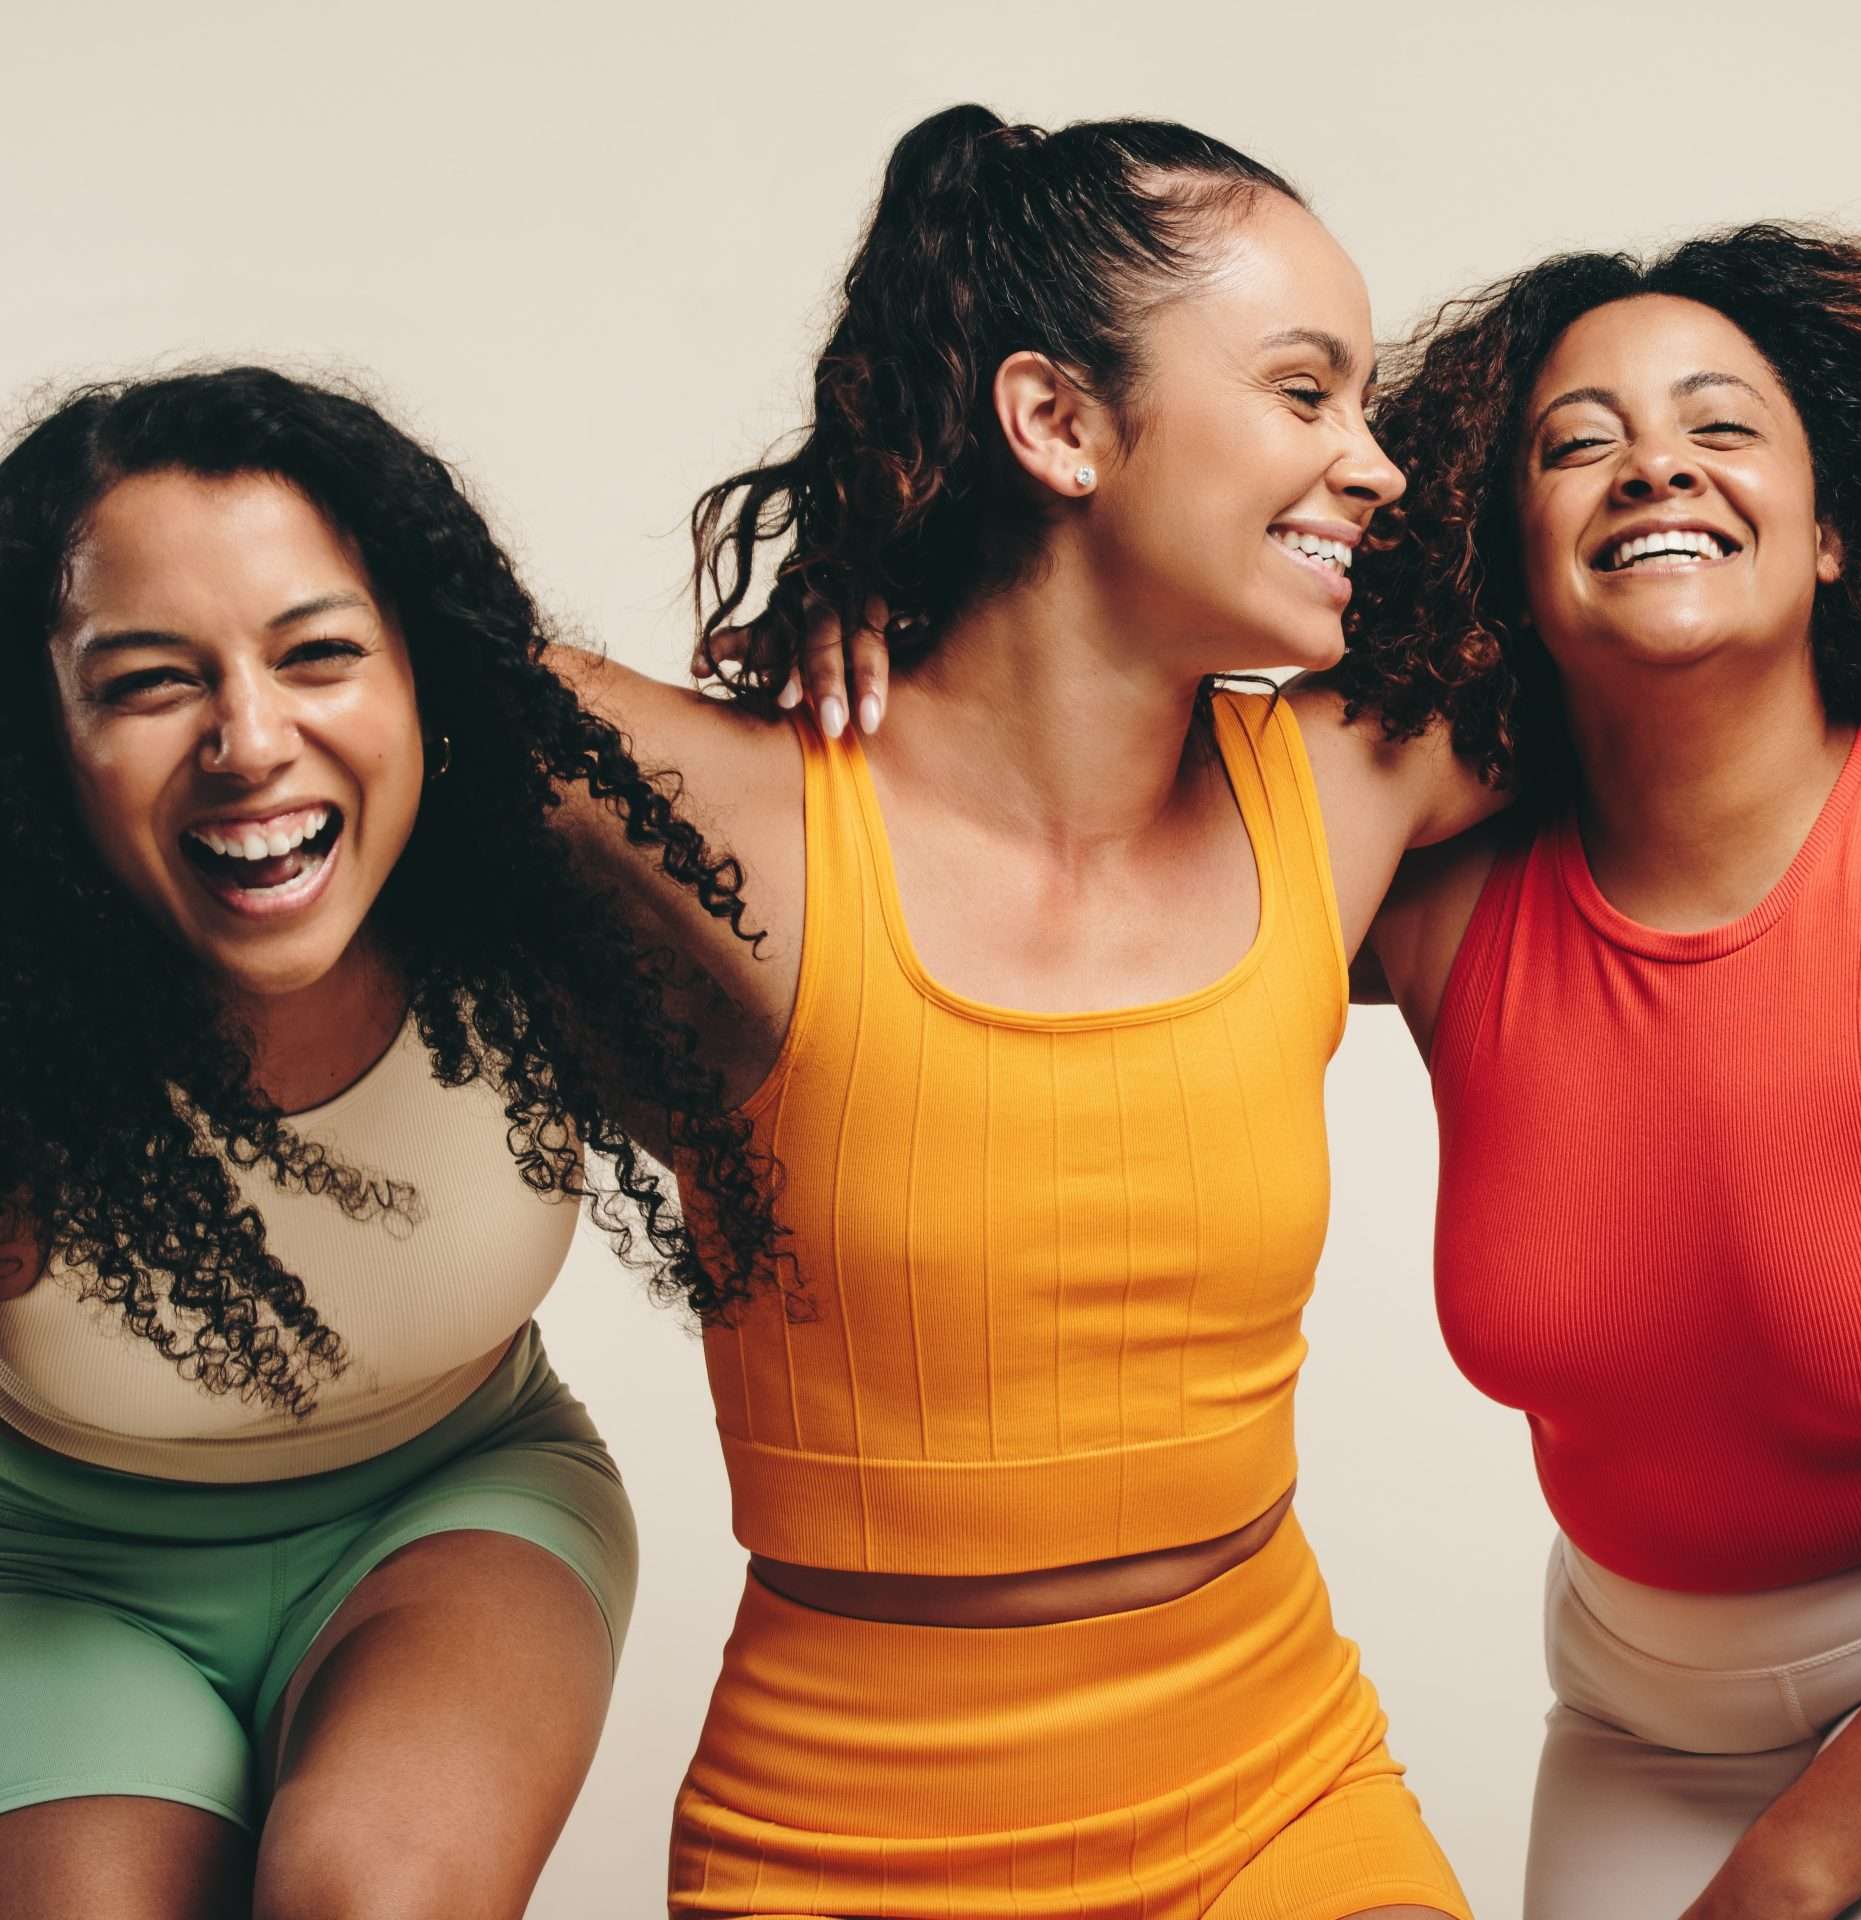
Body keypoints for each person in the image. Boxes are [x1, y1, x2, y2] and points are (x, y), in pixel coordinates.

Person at [562, 103, 1497, 1919]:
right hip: (840, 1839)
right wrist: (855, 572)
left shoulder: (1353, 777)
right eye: (1305, 393)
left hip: (1280, 1790)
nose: (1374, 464)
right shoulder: (742, 815)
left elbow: (1745, 598)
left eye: (1370, 405)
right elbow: (341, 657)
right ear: (1058, 422)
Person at [0, 366, 781, 1920]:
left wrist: (876, 655)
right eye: (148, 681)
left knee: (368, 1893)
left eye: (319, 654)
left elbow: (890, 942)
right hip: (52, 1575)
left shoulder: (542, 901)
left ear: (429, 676)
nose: (248, 740)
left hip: (454, 1507)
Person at [1349, 228, 1861, 1919]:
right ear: (1508, 557)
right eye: (1577, 443)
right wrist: (909, 611)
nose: (1655, 463)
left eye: (1721, 425)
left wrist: (1789, 1877)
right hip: (1634, 1711)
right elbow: (1082, 815)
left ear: (1830, 532)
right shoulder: (1432, 901)